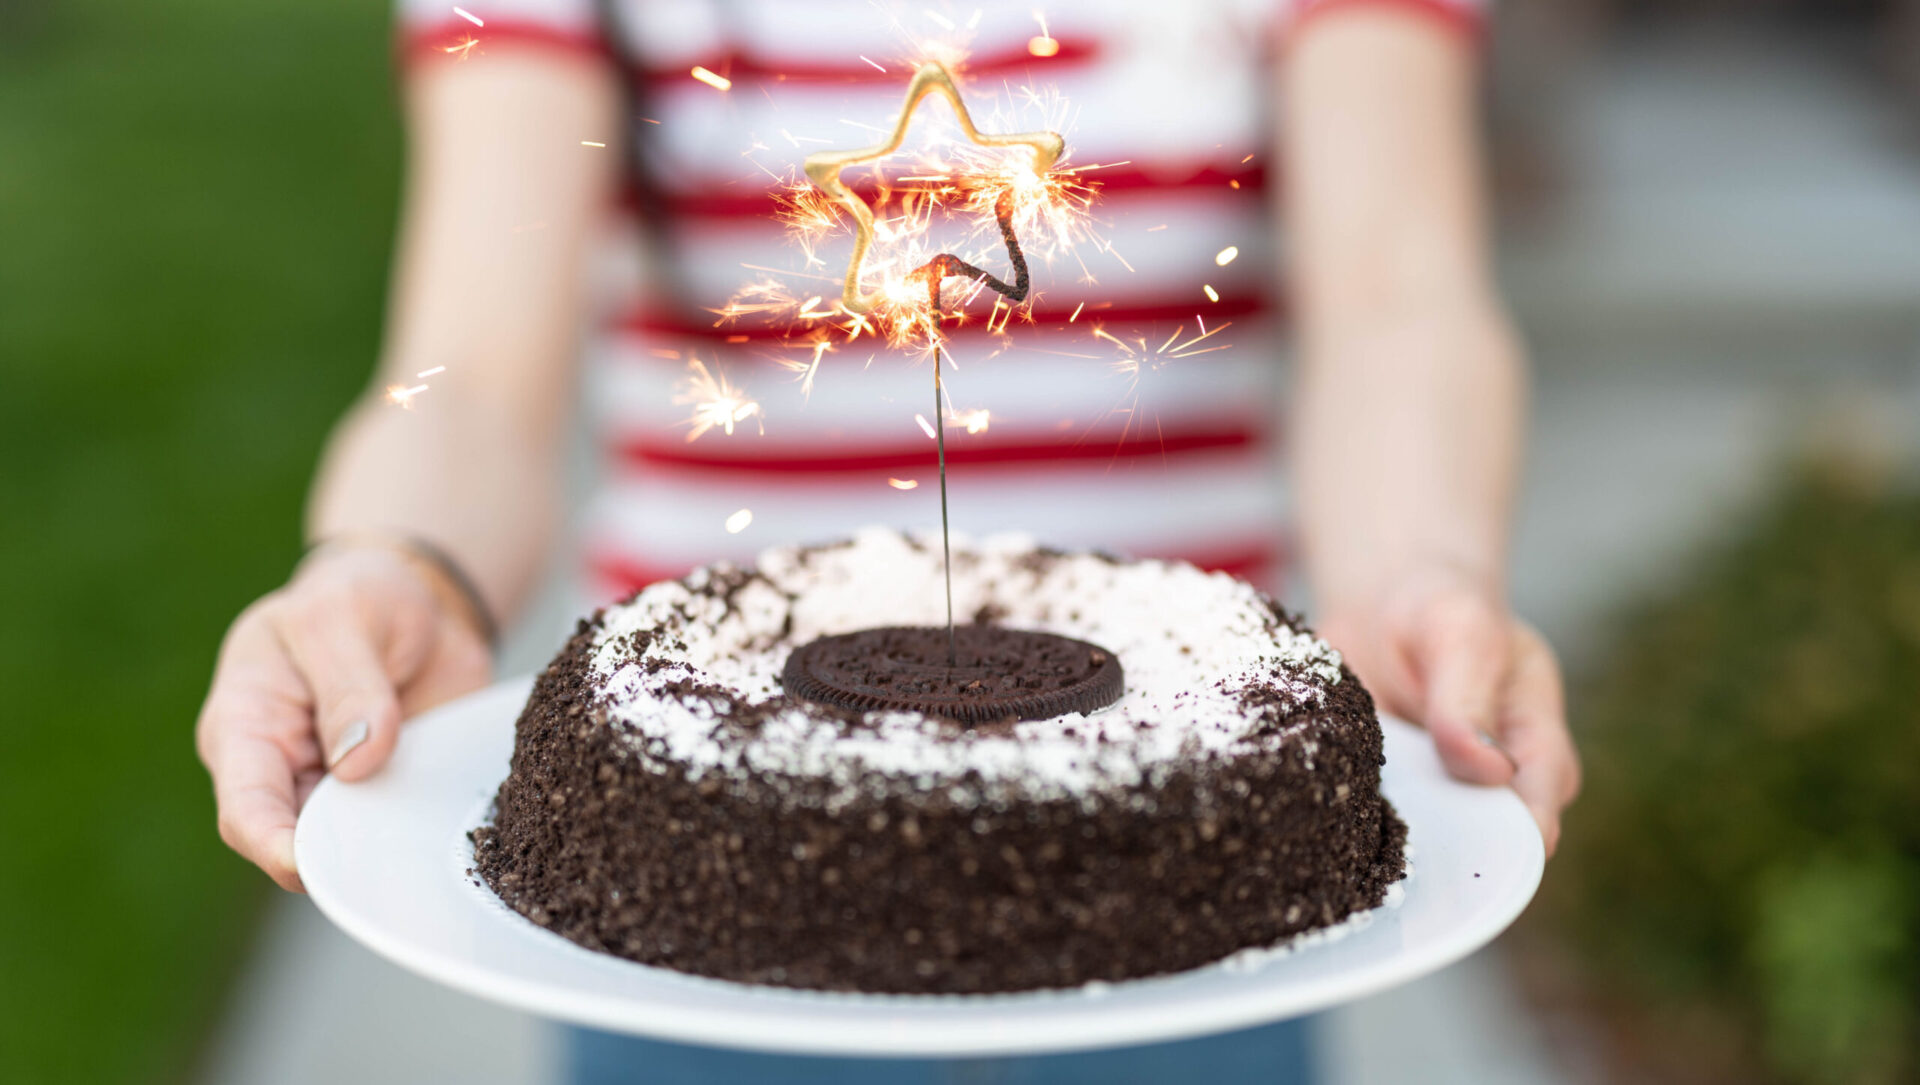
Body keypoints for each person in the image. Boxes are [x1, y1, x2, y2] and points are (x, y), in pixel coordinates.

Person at [196, 0, 1580, 1080]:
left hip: (1194, 898)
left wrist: (1421, 573)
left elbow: (1403, 303)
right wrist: (394, 557)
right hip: (691, 919)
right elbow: (471, 376)